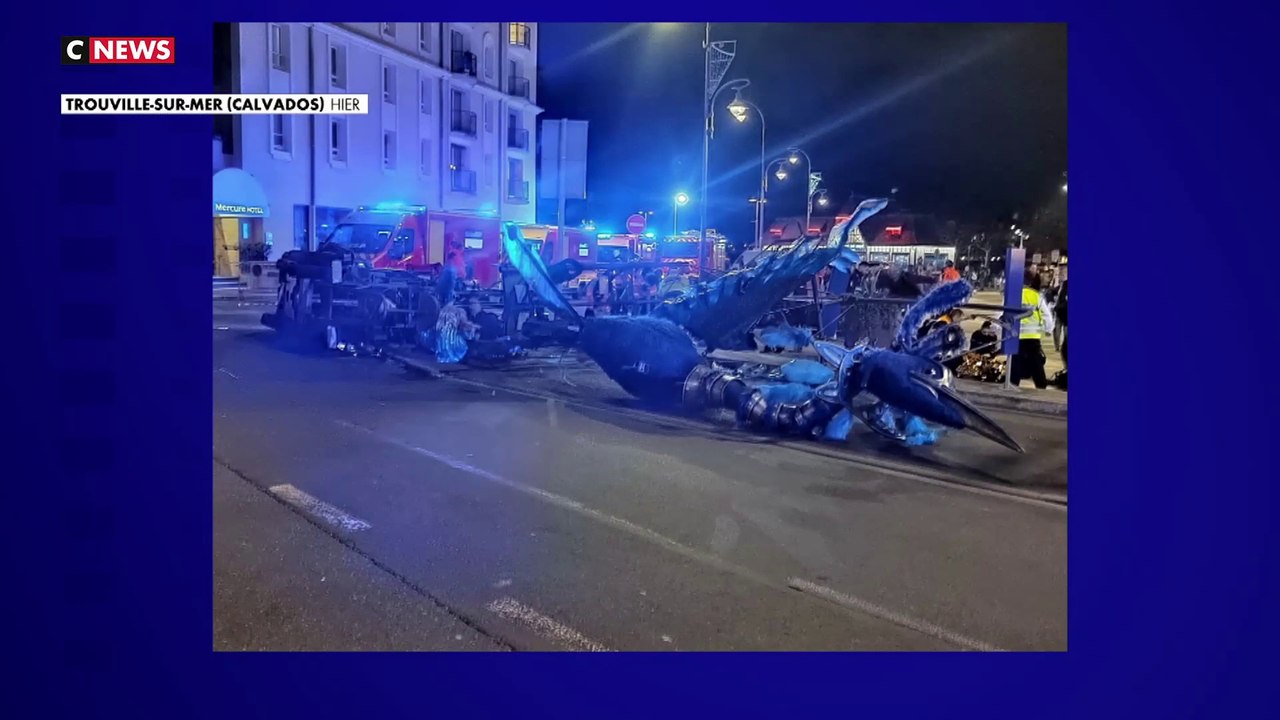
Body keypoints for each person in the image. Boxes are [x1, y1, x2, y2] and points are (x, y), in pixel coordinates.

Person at [1010, 273, 1055, 389]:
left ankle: (1013, 384)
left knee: (1015, 362)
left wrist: (998, 330)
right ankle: (1041, 386)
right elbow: (1046, 315)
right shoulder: (1036, 296)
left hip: (1016, 335)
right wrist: (1048, 329)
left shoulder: (1013, 295)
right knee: (1036, 364)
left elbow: (1004, 313)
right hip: (1032, 336)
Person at [1052, 278, 1068, 356]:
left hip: (1059, 311)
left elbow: (1058, 300)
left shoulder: (1061, 290)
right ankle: (1065, 344)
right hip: (1066, 313)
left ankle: (1057, 346)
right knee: (1066, 329)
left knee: (1057, 328)